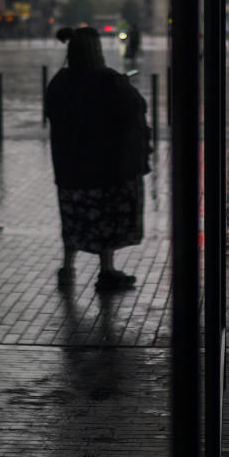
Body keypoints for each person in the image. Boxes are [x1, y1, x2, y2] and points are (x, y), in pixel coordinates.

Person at [46, 27, 151, 290]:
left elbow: (52, 115)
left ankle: (67, 267)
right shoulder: (109, 80)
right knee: (107, 218)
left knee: (72, 219)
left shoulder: (59, 82)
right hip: (106, 169)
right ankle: (106, 269)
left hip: (70, 169)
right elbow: (134, 111)